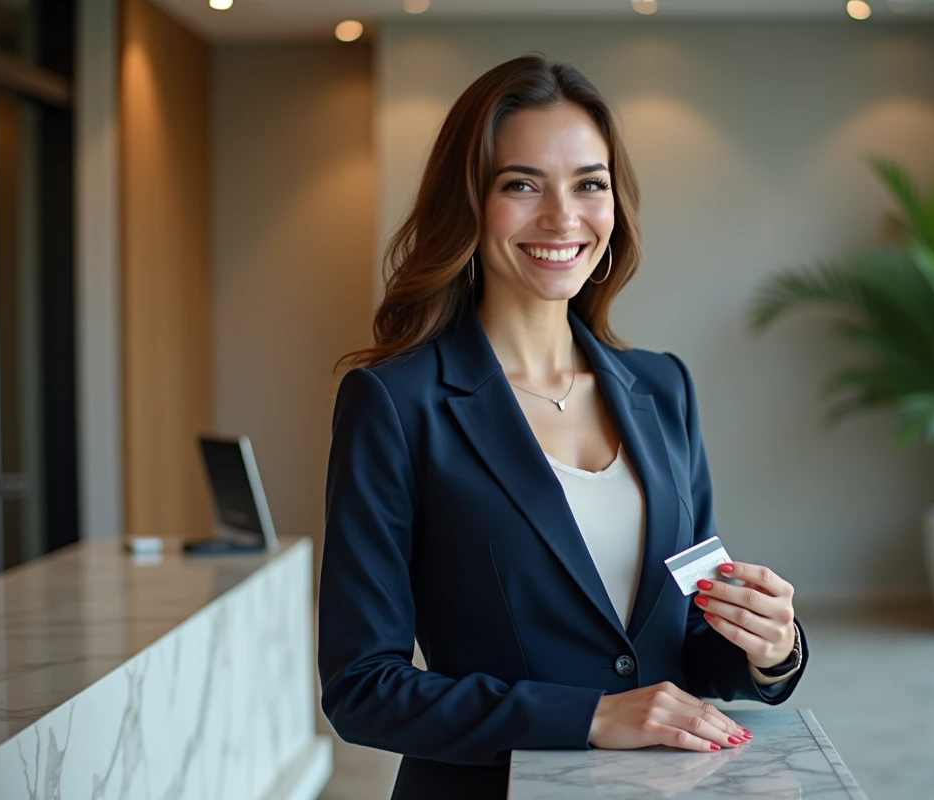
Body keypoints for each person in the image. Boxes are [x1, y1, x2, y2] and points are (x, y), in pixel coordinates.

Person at [318, 53, 808, 799]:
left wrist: (768, 648)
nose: (562, 217)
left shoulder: (662, 387)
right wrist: (591, 716)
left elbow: (689, 635)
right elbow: (363, 687)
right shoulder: (393, 402)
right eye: (521, 185)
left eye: (589, 184)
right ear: (469, 204)